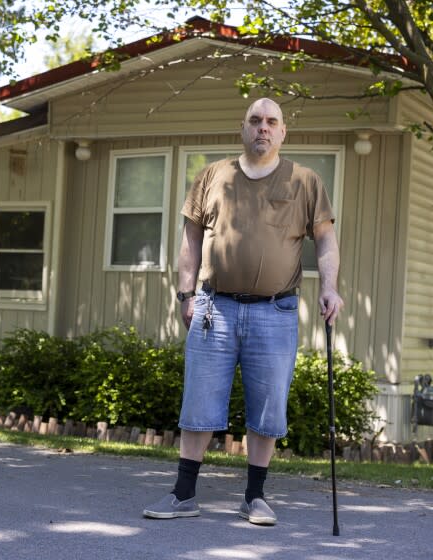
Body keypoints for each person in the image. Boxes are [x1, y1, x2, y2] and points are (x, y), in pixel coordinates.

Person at [142, 98, 344, 525]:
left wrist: (330, 288)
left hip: (276, 311)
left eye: (272, 122)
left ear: (283, 132)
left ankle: (255, 496)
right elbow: (191, 238)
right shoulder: (213, 176)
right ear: (243, 127)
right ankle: (183, 494)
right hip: (215, 307)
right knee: (199, 400)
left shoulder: (305, 181)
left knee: (268, 406)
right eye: (255, 120)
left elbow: (324, 240)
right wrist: (185, 294)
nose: (263, 128)